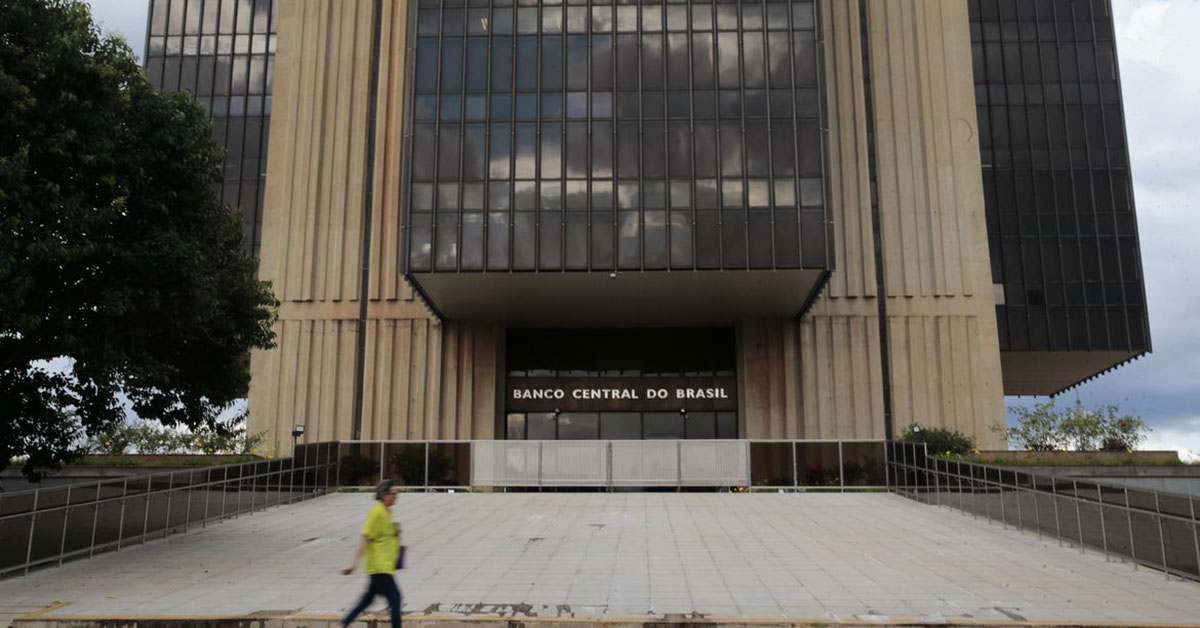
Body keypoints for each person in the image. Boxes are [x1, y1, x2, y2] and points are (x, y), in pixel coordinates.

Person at [338, 479, 403, 628]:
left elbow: (387, 537)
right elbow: (366, 537)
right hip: (379, 567)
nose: (396, 496)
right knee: (395, 600)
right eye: (393, 493)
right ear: (384, 494)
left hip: (384, 566)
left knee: (367, 600)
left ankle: (342, 624)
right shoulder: (377, 512)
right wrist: (354, 564)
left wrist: (397, 532)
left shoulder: (388, 512)